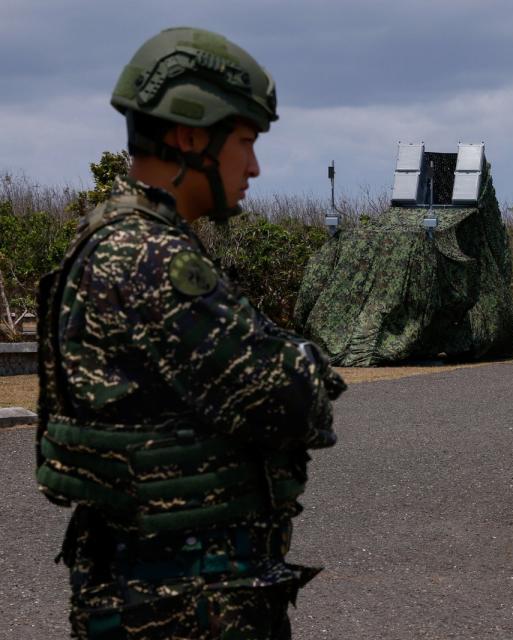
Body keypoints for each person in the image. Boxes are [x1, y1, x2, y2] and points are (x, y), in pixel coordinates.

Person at [35, 27, 345, 639]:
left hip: (148, 590)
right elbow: (288, 398)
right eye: (246, 142)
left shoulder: (114, 237)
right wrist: (306, 360)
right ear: (190, 136)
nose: (254, 166)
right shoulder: (152, 258)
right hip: (183, 601)